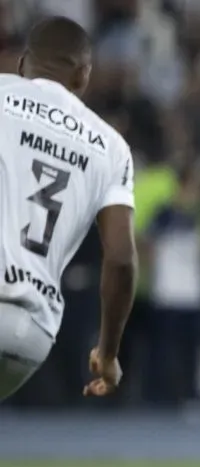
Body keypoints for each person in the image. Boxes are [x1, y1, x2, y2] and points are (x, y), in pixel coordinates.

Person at [0, 17, 136, 402]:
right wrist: (108, 353)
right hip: (33, 332)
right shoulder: (111, 146)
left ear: (24, 64)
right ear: (83, 76)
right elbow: (122, 259)